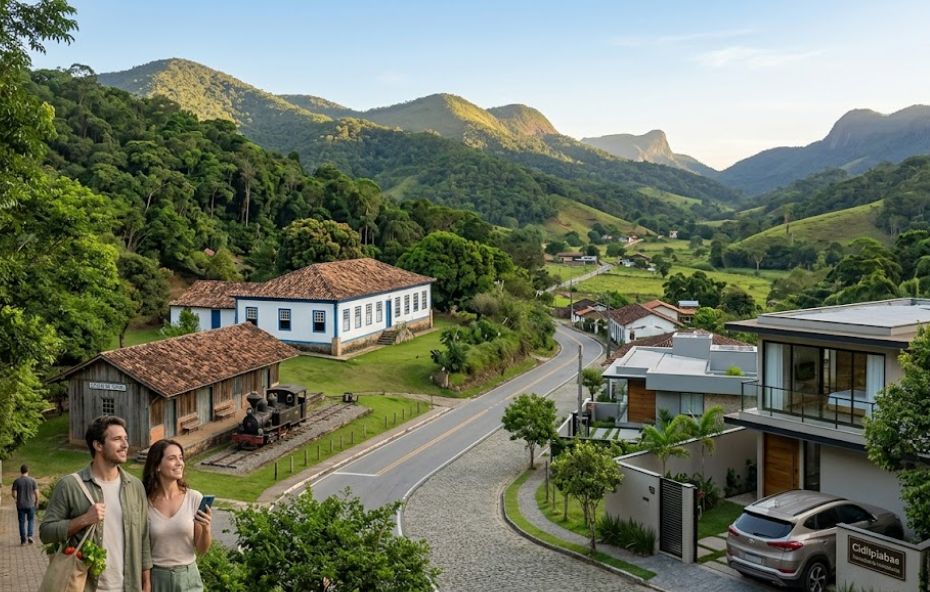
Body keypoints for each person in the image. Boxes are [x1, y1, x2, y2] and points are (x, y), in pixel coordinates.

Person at [40, 415, 152, 592]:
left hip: (130, 586)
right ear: (98, 445)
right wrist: (84, 519)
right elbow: (46, 532)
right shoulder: (70, 485)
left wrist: (146, 583)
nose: (125, 445)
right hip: (86, 586)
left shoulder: (135, 487)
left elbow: (144, 538)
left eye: (126, 439)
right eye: (117, 439)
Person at [142, 439, 212, 592]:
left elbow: (201, 549)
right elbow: (142, 549)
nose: (179, 462)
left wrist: (206, 528)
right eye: (172, 458)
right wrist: (146, 583)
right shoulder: (143, 503)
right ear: (157, 465)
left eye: (181, 457)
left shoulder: (194, 498)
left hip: (188, 578)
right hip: (156, 579)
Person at [11, 464, 39, 545]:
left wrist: (16, 499)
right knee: (30, 520)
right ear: (27, 471)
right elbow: (37, 493)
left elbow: (14, 493)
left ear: (21, 471)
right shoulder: (33, 480)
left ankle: (23, 539)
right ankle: (30, 536)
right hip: (30, 504)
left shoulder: (17, 481)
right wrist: (37, 501)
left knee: (21, 522)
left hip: (20, 505)